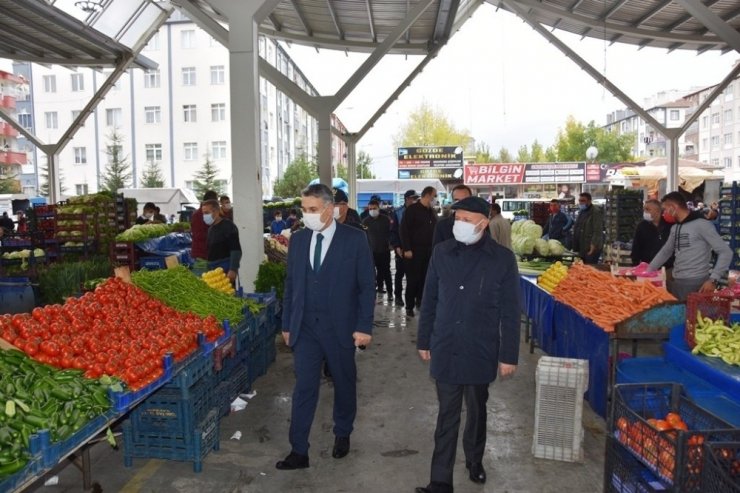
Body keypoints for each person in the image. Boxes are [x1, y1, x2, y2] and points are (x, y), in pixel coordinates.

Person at [415, 196, 520, 493]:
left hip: (480, 348)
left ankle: (475, 460)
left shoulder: (501, 259)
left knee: (476, 410)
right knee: (447, 414)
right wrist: (424, 339)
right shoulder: (442, 253)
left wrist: (508, 355)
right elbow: (430, 299)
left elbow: (511, 310)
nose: (458, 225)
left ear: (483, 223)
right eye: (456, 219)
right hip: (446, 344)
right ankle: (439, 480)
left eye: (465, 220)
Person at [276, 184, 375, 471]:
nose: (307, 215)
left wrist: (364, 326)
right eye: (304, 210)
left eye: (313, 210)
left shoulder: (355, 240)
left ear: (330, 209)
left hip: (341, 328)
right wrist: (286, 324)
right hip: (305, 327)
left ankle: (342, 432)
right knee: (304, 387)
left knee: (344, 382)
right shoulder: (298, 240)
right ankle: (299, 450)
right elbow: (291, 285)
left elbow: (367, 286)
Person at [648, 192, 733, 302]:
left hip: (697, 283)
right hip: (677, 282)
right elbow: (666, 251)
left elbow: (725, 252)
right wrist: (648, 271)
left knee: (692, 316)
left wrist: (713, 279)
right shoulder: (675, 227)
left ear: (673, 207)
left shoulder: (702, 224)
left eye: (665, 210)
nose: (664, 213)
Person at [400, 186, 438, 317]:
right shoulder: (412, 210)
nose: (435, 199)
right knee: (413, 280)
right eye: (434, 196)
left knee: (425, 279)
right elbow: (404, 230)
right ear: (427, 195)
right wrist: (407, 249)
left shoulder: (431, 211)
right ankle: (409, 306)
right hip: (414, 251)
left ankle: (420, 301)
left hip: (428, 251)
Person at [201, 199, 241, 283]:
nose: (204, 216)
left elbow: (236, 250)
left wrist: (233, 269)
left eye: (206, 213)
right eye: (203, 213)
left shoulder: (228, 226)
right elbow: (210, 251)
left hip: (225, 269)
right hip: (213, 271)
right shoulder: (210, 229)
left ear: (216, 212)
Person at [389, 190, 418, 308]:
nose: (414, 200)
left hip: (415, 249)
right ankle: (398, 297)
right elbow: (393, 231)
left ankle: (415, 297)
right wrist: (397, 247)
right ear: (406, 199)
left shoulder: (418, 211)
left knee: (415, 275)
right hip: (401, 249)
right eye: (412, 198)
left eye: (416, 198)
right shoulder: (398, 212)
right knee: (400, 274)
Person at [362, 199, 393, 299]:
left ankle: (390, 292)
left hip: (384, 250)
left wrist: (391, 244)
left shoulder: (386, 219)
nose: (372, 210)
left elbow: (391, 233)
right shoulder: (365, 221)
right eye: (370, 209)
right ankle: (374, 290)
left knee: (385, 271)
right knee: (371, 272)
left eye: (374, 208)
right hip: (371, 252)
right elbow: (363, 236)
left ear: (378, 208)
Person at [631, 199, 672, 266]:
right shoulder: (642, 226)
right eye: (644, 210)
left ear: (658, 211)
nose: (645, 212)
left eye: (648, 209)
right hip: (647, 266)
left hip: (667, 267)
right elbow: (636, 247)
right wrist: (635, 264)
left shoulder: (669, 225)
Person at [572, 192, 603, 264]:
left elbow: (597, 230)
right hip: (582, 247)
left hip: (591, 248)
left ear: (589, 201)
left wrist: (593, 245)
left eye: (583, 201)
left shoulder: (595, 212)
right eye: (580, 200)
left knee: (590, 268)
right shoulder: (582, 211)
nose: (580, 203)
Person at [191, 190, 218, 261]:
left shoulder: (210, 213)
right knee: (202, 271)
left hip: (208, 252)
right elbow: (198, 235)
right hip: (201, 253)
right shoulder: (198, 215)